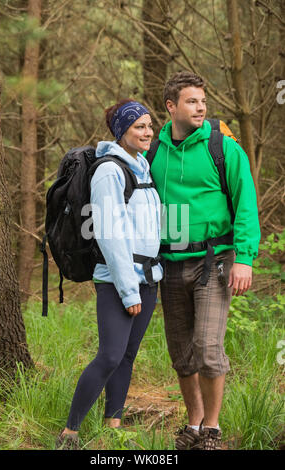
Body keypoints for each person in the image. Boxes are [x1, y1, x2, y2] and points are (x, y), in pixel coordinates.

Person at [148, 71, 261, 450]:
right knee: (181, 354)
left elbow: (246, 203)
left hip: (215, 261)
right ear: (171, 106)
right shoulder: (155, 150)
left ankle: (212, 429)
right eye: (191, 101)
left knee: (208, 349)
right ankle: (193, 425)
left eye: (202, 101)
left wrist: (243, 258)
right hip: (169, 263)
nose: (200, 108)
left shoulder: (222, 147)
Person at [56, 99, 163, 450]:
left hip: (148, 277)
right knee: (111, 355)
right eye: (139, 127)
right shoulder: (109, 171)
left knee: (128, 354)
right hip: (119, 280)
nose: (147, 132)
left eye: (149, 125)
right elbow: (110, 232)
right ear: (121, 132)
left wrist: (150, 277)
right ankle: (69, 432)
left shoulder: (142, 165)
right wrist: (129, 290)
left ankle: (112, 426)